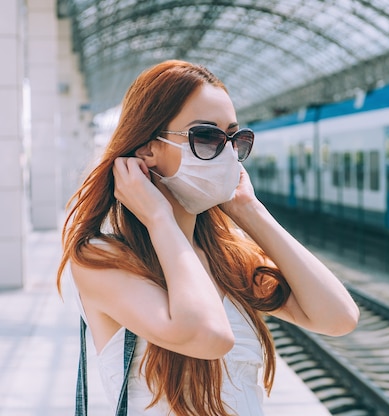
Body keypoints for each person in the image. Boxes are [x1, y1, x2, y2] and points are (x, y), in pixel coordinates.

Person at [56, 59, 360, 416]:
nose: (227, 153)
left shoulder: (225, 256)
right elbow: (209, 336)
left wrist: (251, 212)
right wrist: (158, 217)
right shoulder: (101, 260)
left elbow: (338, 317)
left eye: (235, 139)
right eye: (206, 136)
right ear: (147, 149)